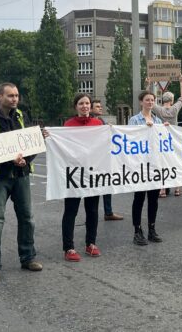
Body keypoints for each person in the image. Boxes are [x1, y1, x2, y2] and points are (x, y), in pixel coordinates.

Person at [0, 82, 42, 283]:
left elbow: (31, 144)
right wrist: (9, 160)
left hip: (20, 175)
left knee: (27, 218)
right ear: (0, 97)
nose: (14, 99)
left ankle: (28, 257)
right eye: (10, 96)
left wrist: (24, 160)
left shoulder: (21, 116)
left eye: (17, 96)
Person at [60, 93, 103, 261]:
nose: (84, 106)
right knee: (71, 211)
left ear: (90, 106)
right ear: (75, 106)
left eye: (87, 103)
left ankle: (90, 243)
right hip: (75, 175)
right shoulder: (68, 125)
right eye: (81, 103)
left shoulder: (98, 123)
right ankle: (68, 248)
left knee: (92, 210)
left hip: (93, 174)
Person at [128, 90, 168, 245]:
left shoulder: (158, 121)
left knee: (153, 199)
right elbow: (131, 140)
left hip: (154, 165)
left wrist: (164, 130)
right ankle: (137, 231)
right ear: (141, 102)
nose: (150, 102)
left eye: (152, 100)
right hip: (140, 165)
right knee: (139, 198)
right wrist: (145, 128)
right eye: (147, 100)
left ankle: (152, 228)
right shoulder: (134, 120)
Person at [150, 76, 182, 198]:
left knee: (163, 164)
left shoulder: (159, 110)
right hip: (173, 139)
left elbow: (149, 102)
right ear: (172, 100)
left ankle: (163, 189)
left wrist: (148, 85)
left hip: (161, 140)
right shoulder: (175, 109)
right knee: (175, 162)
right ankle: (177, 188)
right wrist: (181, 83)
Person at [90, 99, 124, 221]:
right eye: (97, 106)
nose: (100, 108)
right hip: (93, 160)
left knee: (107, 184)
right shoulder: (90, 122)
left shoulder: (101, 121)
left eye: (100, 106)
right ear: (91, 109)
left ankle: (108, 212)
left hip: (103, 158)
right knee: (94, 186)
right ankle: (92, 214)